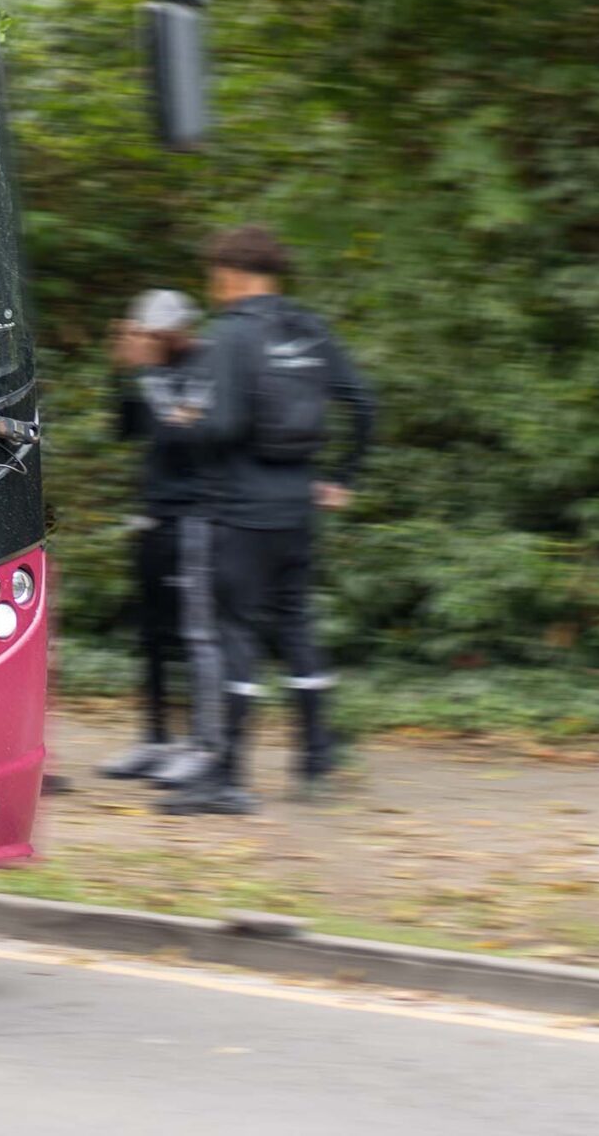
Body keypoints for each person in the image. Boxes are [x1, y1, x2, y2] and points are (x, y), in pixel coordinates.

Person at [153, 225, 375, 815]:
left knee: (237, 634)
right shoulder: (308, 327)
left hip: (242, 509)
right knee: (297, 624)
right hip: (298, 503)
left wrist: (183, 424)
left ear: (228, 273)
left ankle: (226, 776)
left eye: (213, 274)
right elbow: (362, 403)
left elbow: (222, 426)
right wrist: (343, 477)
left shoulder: (230, 335)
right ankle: (316, 760)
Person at [98, 288, 204, 780]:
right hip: (154, 518)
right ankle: (156, 739)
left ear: (175, 331)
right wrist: (122, 372)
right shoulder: (151, 370)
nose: (145, 341)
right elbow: (125, 430)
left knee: (194, 637)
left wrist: (174, 417)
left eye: (152, 335)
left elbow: (188, 439)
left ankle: (201, 743)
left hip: (196, 520)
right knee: (153, 637)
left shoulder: (205, 368)